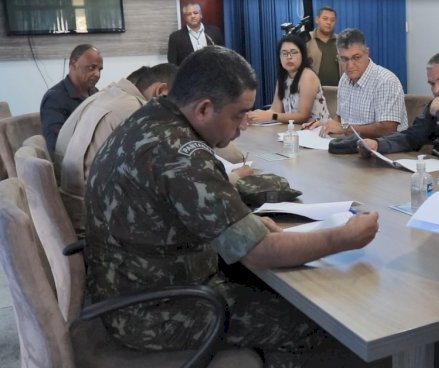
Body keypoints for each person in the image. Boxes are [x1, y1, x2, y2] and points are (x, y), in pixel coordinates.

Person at [84, 46, 379, 368]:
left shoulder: (149, 118)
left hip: (128, 284)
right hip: (154, 310)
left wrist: (244, 225)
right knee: (313, 321)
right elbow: (261, 251)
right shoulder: (182, 155)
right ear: (204, 108)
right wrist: (345, 238)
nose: (243, 125)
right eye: (239, 114)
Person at [55, 63, 178, 233]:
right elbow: (163, 175)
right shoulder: (134, 109)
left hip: (72, 210)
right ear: (161, 91)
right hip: (96, 226)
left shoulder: (106, 96)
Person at [302, 28, 408, 139]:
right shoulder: (344, 79)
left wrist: (344, 129)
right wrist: (325, 125)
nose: (350, 65)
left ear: (367, 52)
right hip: (351, 145)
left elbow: (388, 129)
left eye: (356, 58)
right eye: (344, 59)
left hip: (385, 150)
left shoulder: (386, 81)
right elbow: (340, 118)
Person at [246, 35, 330, 125]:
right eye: (284, 53)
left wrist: (272, 116)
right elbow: (275, 110)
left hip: (316, 130)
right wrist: (255, 115)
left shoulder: (307, 76)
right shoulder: (283, 77)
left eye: (293, 52)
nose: (289, 57)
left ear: (303, 55)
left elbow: (303, 116)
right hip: (294, 130)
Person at [40, 44, 102, 155]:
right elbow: (56, 145)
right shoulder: (54, 98)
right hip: (72, 164)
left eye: (100, 69)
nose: (97, 74)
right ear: (73, 64)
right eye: (91, 67)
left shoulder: (95, 92)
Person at [306, 6, 343, 86]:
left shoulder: (341, 41)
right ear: (317, 20)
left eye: (332, 20)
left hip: (337, 93)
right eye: (325, 19)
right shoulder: (306, 40)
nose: (329, 22)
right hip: (313, 92)